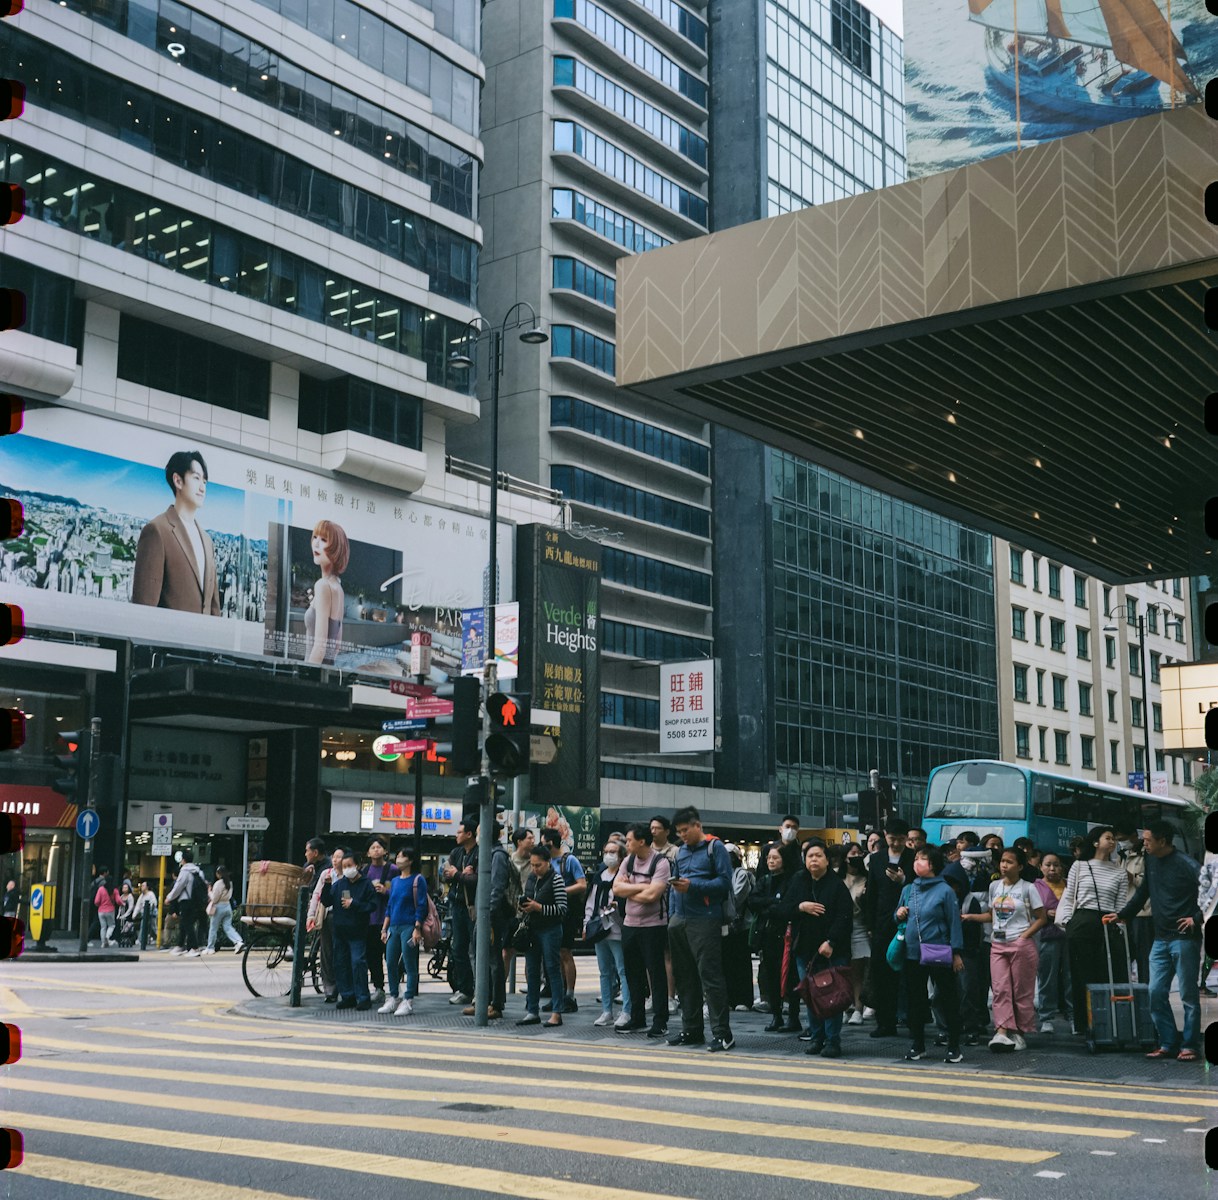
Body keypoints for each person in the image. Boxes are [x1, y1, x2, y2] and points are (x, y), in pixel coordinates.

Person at [1110, 822, 1203, 1061]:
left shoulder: (1187, 864)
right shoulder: (1151, 861)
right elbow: (1143, 893)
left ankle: (1190, 1045)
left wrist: (1197, 918)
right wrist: (1123, 915)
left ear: (1163, 841)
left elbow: (1213, 892)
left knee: (1188, 996)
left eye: (1148, 840)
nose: (1144, 844)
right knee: (1155, 992)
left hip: (1184, 939)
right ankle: (1168, 1042)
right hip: (1161, 938)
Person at [668, 806, 735, 1053]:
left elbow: (724, 883)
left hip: (705, 919)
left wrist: (693, 886)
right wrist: (674, 915)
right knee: (684, 977)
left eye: (686, 830)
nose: (683, 835)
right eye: (679, 832)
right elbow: (675, 882)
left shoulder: (714, 847)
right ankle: (692, 1029)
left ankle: (722, 1034)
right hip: (680, 919)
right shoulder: (681, 852)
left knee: (710, 977)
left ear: (698, 826)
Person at [965, 848, 1046, 1051]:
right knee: (1001, 989)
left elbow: (1042, 917)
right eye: (1002, 861)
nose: (1004, 865)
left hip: (1021, 944)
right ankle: (1002, 1031)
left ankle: (1018, 1033)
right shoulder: (994, 886)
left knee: (1020, 990)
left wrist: (1024, 936)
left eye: (1009, 862)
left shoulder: (1029, 888)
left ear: (1019, 866)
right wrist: (971, 917)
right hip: (998, 944)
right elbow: (992, 915)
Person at [1054, 826, 1129, 1035]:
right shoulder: (1079, 866)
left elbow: (1121, 903)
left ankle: (1110, 1021)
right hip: (1082, 921)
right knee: (1081, 974)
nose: (1112, 842)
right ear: (1095, 842)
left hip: (1108, 921)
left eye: (1114, 839)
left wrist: (1119, 925)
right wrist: (1069, 922)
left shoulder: (1120, 872)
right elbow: (1070, 897)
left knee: (1109, 973)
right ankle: (1083, 1023)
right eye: (1108, 838)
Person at [894, 846, 965, 1063]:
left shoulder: (945, 891)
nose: (917, 863)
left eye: (922, 859)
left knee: (947, 998)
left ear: (932, 864)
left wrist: (956, 952)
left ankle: (954, 1045)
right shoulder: (908, 889)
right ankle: (918, 1044)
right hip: (913, 953)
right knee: (915, 1000)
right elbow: (897, 919)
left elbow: (954, 923)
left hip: (940, 951)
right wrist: (898, 914)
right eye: (916, 858)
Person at [131, 450, 221, 614]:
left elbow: (214, 607)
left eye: (205, 482)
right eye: (196, 478)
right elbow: (143, 608)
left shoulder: (208, 542)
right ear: (178, 481)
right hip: (168, 638)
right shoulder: (157, 531)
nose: (202, 488)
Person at [783, 841, 852, 1057]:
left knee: (832, 997)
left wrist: (831, 941)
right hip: (805, 950)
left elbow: (844, 917)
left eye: (818, 856)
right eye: (810, 856)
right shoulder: (798, 881)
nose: (814, 860)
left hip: (832, 951)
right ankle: (816, 1038)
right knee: (811, 996)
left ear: (827, 860)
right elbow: (782, 909)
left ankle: (833, 1041)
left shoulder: (836, 885)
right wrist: (800, 907)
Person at [613, 822, 671, 1038]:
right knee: (632, 974)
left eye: (629, 840)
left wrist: (629, 890)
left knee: (655, 974)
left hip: (653, 927)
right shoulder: (628, 861)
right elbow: (616, 888)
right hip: (629, 925)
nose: (626, 844)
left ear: (642, 841)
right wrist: (641, 887)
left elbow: (652, 896)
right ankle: (637, 1018)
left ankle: (660, 1021)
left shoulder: (660, 862)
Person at [862, 817, 915, 1039]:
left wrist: (904, 880)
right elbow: (871, 894)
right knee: (881, 972)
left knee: (909, 972)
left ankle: (912, 1020)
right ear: (885, 836)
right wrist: (870, 925)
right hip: (882, 923)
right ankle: (885, 1022)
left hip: (909, 920)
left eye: (901, 840)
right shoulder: (876, 859)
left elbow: (919, 887)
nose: (896, 844)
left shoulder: (914, 858)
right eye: (892, 839)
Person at [517, 844, 568, 1027]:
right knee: (532, 970)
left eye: (538, 865)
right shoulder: (531, 878)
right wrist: (523, 906)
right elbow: (526, 897)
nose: (535, 868)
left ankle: (557, 1012)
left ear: (548, 863)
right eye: (532, 864)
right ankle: (532, 1010)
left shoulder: (556, 880)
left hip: (550, 929)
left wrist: (539, 908)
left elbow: (562, 909)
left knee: (552, 969)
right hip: (532, 929)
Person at [749, 845, 798, 1031]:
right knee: (771, 976)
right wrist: (773, 903)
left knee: (790, 975)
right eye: (769, 858)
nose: (771, 861)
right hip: (767, 934)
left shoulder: (792, 880)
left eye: (775, 858)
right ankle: (776, 1015)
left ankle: (793, 1016)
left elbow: (787, 905)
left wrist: (769, 906)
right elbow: (753, 901)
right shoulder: (764, 880)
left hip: (786, 934)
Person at [587, 839, 632, 1028]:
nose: (609, 855)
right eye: (606, 851)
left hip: (618, 929)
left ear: (621, 856)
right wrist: (586, 923)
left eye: (613, 852)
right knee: (604, 972)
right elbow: (590, 902)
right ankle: (607, 1011)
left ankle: (627, 1011)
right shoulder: (599, 876)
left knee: (623, 971)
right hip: (600, 929)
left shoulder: (624, 877)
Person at [541, 826, 586, 1013]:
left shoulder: (569, 860)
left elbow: (582, 885)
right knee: (554, 955)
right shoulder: (547, 862)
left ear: (552, 843)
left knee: (565, 952)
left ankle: (570, 995)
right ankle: (557, 995)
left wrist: (560, 891)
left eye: (544, 844)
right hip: (551, 913)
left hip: (566, 914)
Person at [323, 852, 376, 1010]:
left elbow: (372, 905)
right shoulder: (339, 884)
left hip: (357, 932)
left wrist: (355, 904)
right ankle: (347, 995)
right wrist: (326, 885)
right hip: (340, 931)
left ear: (358, 865)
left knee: (357, 963)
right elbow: (326, 901)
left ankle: (363, 997)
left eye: (349, 866)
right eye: (344, 866)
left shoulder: (366, 884)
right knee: (341, 964)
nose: (347, 869)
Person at [380, 847, 426, 1017]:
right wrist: (384, 928)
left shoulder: (418, 879)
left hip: (409, 926)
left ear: (410, 860)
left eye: (401, 856)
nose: (398, 858)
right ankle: (393, 996)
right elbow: (390, 906)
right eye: (397, 855)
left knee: (409, 964)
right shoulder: (395, 880)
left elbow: (421, 905)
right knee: (390, 961)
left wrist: (417, 928)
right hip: (394, 926)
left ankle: (408, 1000)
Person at [476, 824, 514, 1020]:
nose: (477, 835)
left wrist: (488, 914)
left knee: (493, 958)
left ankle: (495, 1004)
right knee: (480, 955)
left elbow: (497, 887)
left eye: (479, 832)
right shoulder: (486, 852)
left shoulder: (498, 855)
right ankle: (482, 1001)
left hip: (492, 914)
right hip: (483, 913)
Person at [442, 819, 478, 1005]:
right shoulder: (456, 853)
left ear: (469, 834)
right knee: (458, 948)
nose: (456, 835)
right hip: (456, 905)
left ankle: (479, 991)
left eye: (459, 832)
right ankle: (465, 989)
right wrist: (462, 874)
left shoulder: (479, 852)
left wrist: (458, 875)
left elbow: (476, 880)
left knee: (477, 949)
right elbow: (445, 873)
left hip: (472, 906)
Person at [1113, 821, 1153, 984]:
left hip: (1143, 913)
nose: (1121, 842)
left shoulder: (1146, 854)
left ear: (1133, 836)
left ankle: (1146, 992)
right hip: (1125, 911)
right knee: (1124, 955)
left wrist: (1131, 877)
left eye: (1123, 838)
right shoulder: (1121, 855)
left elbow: (1148, 884)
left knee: (1144, 957)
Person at [305, 519, 348, 665]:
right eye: (315, 537)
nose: (316, 543)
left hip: (312, 671)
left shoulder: (322, 586)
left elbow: (320, 647)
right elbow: (336, 646)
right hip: (326, 670)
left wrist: (308, 673)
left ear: (336, 549)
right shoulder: (338, 588)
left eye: (324, 539)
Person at [363, 836, 397, 1002]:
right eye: (372, 847)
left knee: (390, 957)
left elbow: (399, 892)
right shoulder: (364, 871)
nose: (376, 850)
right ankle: (379, 987)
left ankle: (394, 990)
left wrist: (386, 892)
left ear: (385, 851)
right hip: (370, 920)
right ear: (368, 853)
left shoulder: (393, 870)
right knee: (373, 956)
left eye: (379, 847)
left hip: (389, 920)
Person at [650, 815, 680, 1008]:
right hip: (649, 908)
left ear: (667, 831)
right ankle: (654, 996)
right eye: (651, 827)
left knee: (668, 954)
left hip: (669, 907)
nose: (653, 831)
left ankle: (670, 997)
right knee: (651, 955)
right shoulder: (646, 851)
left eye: (658, 828)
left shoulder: (675, 852)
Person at [308, 847, 344, 1002]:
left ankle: (343, 988)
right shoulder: (326, 874)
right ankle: (329, 990)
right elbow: (317, 895)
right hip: (327, 916)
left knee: (341, 953)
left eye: (339, 857)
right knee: (326, 953)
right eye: (334, 856)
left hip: (344, 918)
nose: (335, 860)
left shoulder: (349, 875)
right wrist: (311, 914)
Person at [722, 843, 756, 1011]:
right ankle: (729, 998)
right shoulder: (721, 873)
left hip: (741, 925)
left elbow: (737, 897)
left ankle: (743, 999)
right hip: (724, 924)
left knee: (741, 962)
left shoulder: (741, 874)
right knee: (726, 962)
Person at [841, 843, 870, 1024]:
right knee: (843, 972)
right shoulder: (837, 878)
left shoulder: (866, 879)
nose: (856, 856)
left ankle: (859, 1008)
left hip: (859, 925)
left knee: (858, 971)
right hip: (841, 927)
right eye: (853, 853)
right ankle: (845, 1006)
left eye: (859, 852)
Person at [165, 850, 208, 956]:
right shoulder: (198, 871)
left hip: (186, 901)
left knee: (187, 924)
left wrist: (169, 898)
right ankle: (180, 946)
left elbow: (178, 887)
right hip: (197, 901)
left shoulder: (184, 871)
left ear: (183, 860)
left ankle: (194, 948)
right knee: (184, 924)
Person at [203, 865, 243, 954]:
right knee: (228, 927)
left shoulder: (218, 884)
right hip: (227, 906)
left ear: (218, 874)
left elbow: (215, 899)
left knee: (213, 928)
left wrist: (209, 892)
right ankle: (238, 941)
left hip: (218, 907)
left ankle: (210, 947)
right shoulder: (230, 883)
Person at [133, 881, 157, 950]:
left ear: (147, 887)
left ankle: (155, 938)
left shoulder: (151, 894)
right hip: (144, 914)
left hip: (151, 914)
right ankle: (141, 939)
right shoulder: (141, 896)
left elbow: (154, 903)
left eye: (143, 886)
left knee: (153, 927)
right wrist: (134, 914)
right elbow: (138, 905)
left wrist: (149, 908)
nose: (141, 887)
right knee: (143, 926)